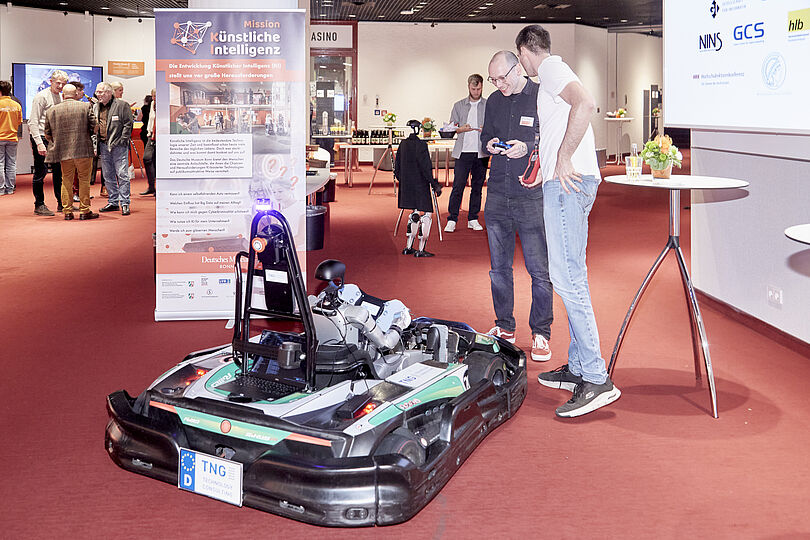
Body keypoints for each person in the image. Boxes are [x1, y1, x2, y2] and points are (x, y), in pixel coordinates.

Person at [516, 24, 621, 418]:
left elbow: (586, 103)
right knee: (572, 274)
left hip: (567, 184)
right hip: (567, 184)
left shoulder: (551, 70)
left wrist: (562, 157)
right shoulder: (552, 76)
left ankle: (596, 377)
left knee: (567, 278)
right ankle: (578, 368)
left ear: (527, 52)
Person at [480, 51, 553, 363]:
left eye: (502, 78)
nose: (498, 85)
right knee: (499, 269)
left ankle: (541, 332)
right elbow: (485, 137)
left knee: (539, 269)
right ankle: (505, 326)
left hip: (530, 194)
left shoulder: (541, 96)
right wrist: (491, 144)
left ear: (518, 68)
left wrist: (530, 146)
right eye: (493, 80)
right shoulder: (494, 101)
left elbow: (551, 138)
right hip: (497, 192)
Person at [43, 84, 98, 220]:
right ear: (75, 95)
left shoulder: (52, 110)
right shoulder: (85, 107)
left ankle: (67, 211)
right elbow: (94, 126)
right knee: (84, 180)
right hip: (83, 150)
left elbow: (47, 133)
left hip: (63, 152)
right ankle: (84, 211)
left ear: (63, 95)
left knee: (66, 180)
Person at [445, 74, 489, 233]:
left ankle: (473, 218)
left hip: (481, 153)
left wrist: (487, 129)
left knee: (477, 187)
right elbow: (450, 127)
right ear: (468, 87)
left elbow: (495, 126)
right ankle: (452, 219)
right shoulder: (458, 106)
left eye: (478, 89)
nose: (476, 91)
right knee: (458, 186)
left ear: (482, 87)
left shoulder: (488, 105)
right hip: (463, 152)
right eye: (473, 88)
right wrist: (462, 129)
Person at [395, 120, 442, 258]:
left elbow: (396, 167)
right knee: (426, 215)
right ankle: (421, 249)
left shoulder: (402, 144)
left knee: (414, 214)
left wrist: (403, 180)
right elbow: (425, 167)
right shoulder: (421, 145)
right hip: (420, 184)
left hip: (406, 184)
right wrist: (434, 184)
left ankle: (408, 247)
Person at [29, 69, 68, 216]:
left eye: (63, 84)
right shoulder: (41, 97)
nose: (60, 86)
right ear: (50, 81)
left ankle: (61, 203)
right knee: (41, 172)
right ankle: (39, 205)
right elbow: (33, 121)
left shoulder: (62, 97)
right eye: (58, 83)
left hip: (56, 140)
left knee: (59, 172)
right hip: (41, 138)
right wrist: (39, 142)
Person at [94, 82, 134, 216]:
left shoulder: (122, 105)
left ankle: (124, 203)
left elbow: (128, 124)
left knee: (122, 174)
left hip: (118, 145)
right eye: (97, 92)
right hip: (103, 145)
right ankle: (113, 201)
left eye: (100, 92)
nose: (98, 94)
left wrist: (123, 140)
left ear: (109, 93)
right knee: (107, 175)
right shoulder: (96, 107)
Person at [0, 80, 22, 195]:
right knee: (11, 164)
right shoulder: (16, 105)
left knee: (0, 163)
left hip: (0, 137)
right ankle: (10, 188)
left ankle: (1, 189)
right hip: (13, 137)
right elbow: (19, 122)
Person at [141, 89, 156, 196]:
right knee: (147, 158)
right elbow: (151, 120)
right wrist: (149, 132)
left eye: (156, 96)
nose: (154, 98)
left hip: (161, 136)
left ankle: (158, 187)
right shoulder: (152, 104)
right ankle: (151, 186)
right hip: (151, 136)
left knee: (157, 161)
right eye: (153, 96)